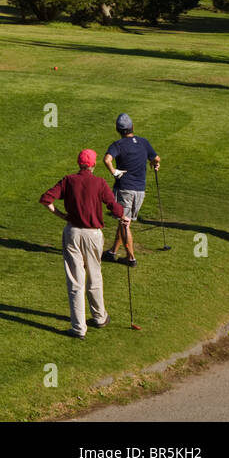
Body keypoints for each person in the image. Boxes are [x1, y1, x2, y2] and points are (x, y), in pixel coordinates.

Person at [39, 148, 126, 338]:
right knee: (94, 275)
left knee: (75, 281)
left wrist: (61, 215)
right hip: (93, 235)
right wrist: (123, 216)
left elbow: (46, 199)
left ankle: (78, 328)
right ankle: (100, 317)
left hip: (72, 233)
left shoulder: (69, 180)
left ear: (79, 163)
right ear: (93, 164)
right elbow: (114, 207)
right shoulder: (100, 182)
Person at [103, 113, 160, 268]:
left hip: (125, 190)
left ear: (118, 129)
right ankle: (112, 252)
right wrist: (155, 164)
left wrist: (114, 172)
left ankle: (131, 258)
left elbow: (107, 159)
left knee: (124, 223)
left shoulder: (118, 145)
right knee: (124, 222)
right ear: (132, 127)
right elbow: (156, 158)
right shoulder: (143, 142)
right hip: (140, 191)